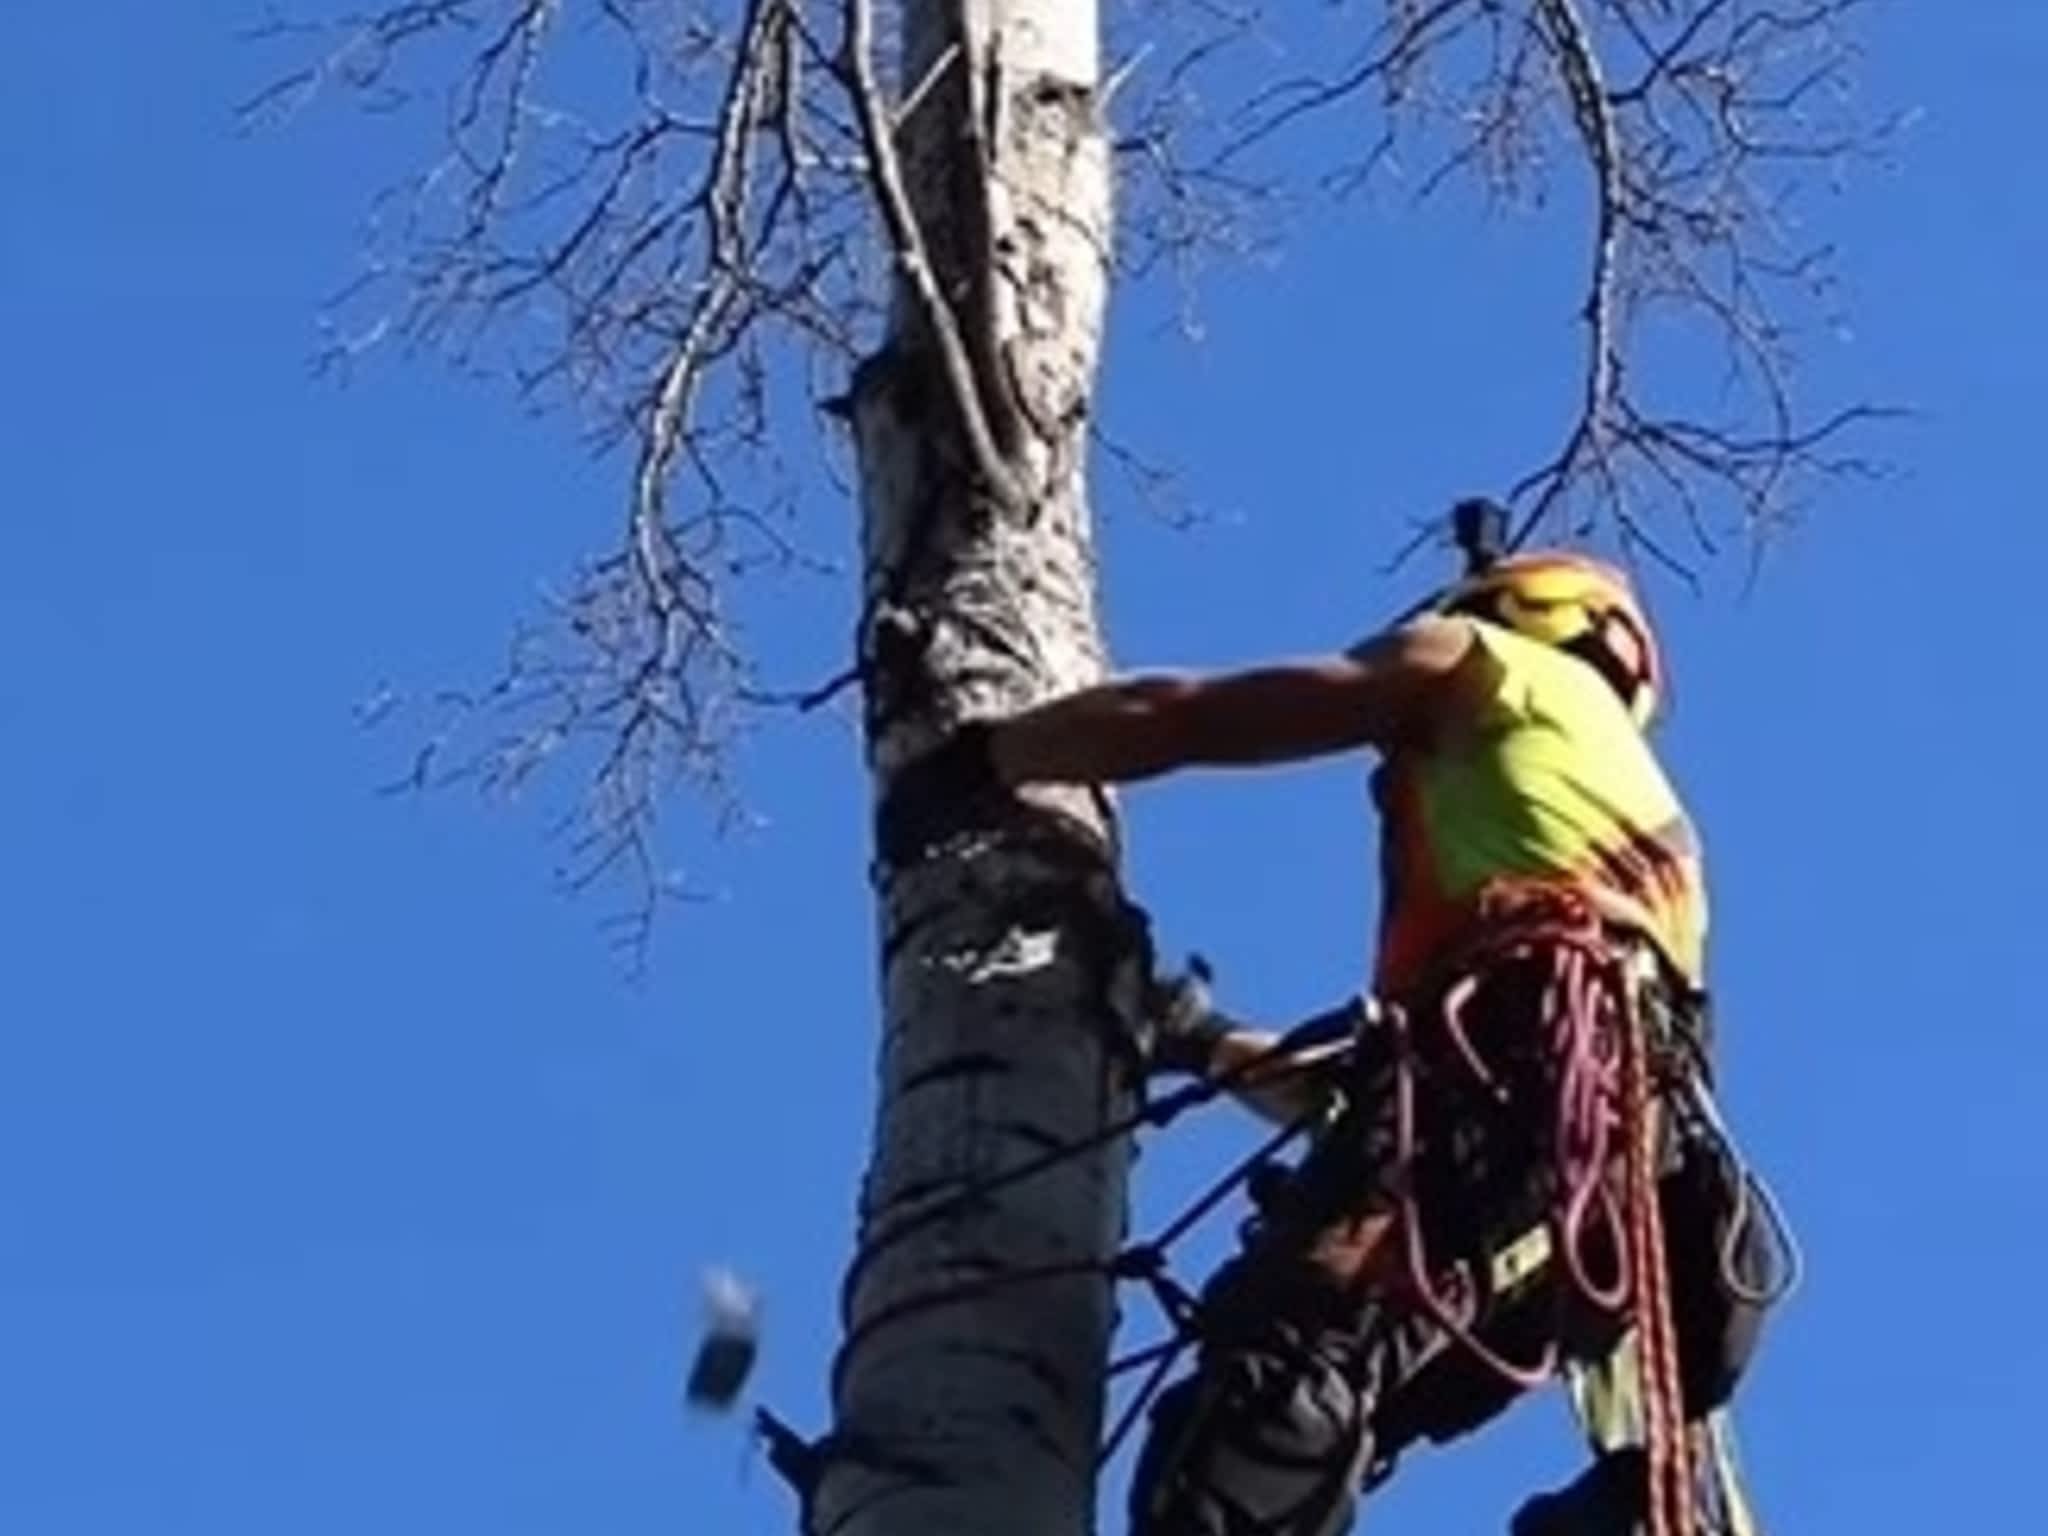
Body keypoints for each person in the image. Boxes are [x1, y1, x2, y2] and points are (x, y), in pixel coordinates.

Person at [899, 541, 1782, 1535]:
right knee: (1331, 1398)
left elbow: (1190, 714)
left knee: (1274, 1390)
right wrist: (1198, 1036)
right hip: (1603, 1193)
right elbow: (1393, 1111)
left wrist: (982, 759)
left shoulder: (1485, 660)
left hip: (1524, 1113)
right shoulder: (1632, 825)